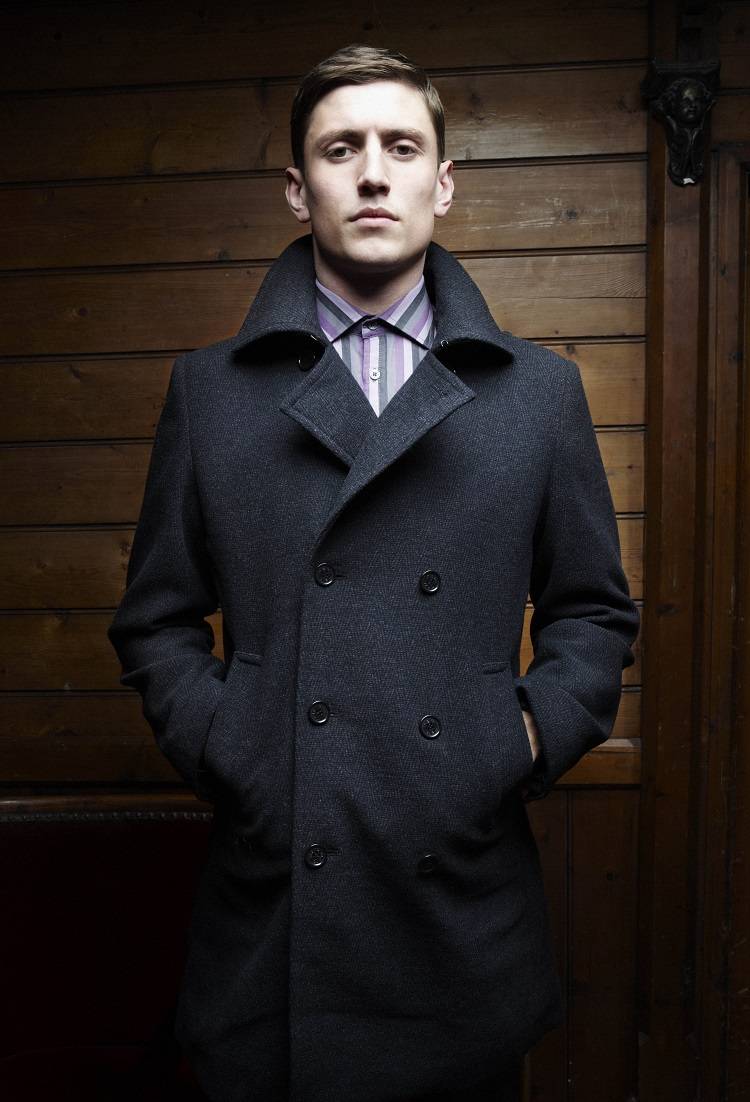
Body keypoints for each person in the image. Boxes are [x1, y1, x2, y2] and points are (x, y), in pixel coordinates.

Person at [108, 44, 640, 1102]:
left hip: (457, 890)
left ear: (443, 183)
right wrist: (234, 742)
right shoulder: (210, 392)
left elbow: (592, 613)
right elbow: (156, 620)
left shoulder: (540, 394)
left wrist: (514, 739)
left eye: (401, 146)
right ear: (298, 188)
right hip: (275, 893)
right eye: (340, 148)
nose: (372, 173)